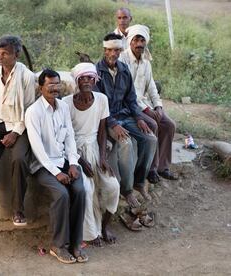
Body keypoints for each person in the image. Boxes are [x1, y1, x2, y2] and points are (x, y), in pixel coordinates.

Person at [25, 69, 87, 264]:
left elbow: (70, 138)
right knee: (62, 194)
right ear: (40, 87)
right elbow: (37, 149)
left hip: (65, 161)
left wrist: (74, 164)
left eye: (57, 84)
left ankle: (75, 243)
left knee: (79, 190)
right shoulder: (33, 112)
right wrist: (56, 173)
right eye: (50, 85)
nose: (55, 88)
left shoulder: (63, 107)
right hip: (43, 166)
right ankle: (58, 245)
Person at [0, 35, 35, 226]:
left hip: (19, 126)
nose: (0, 57)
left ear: (16, 54)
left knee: (19, 159)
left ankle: (18, 210)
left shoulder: (26, 76)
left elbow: (29, 109)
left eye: (5, 54)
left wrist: (16, 133)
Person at [94, 33, 157, 208]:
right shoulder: (96, 72)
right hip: (107, 120)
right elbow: (99, 105)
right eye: (110, 50)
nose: (114, 54)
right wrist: (113, 124)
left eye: (117, 50)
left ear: (121, 50)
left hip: (125, 115)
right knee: (126, 143)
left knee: (150, 139)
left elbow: (131, 98)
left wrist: (138, 117)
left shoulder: (123, 69)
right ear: (105, 50)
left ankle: (139, 181)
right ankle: (127, 190)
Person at [63, 63, 120, 246]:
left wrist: (102, 157)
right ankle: (90, 233)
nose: (86, 81)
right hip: (74, 152)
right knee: (86, 190)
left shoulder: (102, 100)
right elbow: (65, 137)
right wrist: (79, 160)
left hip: (95, 149)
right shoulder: (66, 103)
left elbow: (102, 132)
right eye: (82, 78)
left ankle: (104, 227)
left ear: (95, 80)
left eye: (89, 78)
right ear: (77, 81)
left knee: (112, 187)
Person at [120, 25, 177, 183]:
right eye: (136, 40)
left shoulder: (146, 61)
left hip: (145, 103)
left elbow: (151, 87)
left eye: (142, 40)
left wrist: (158, 105)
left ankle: (163, 167)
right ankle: (151, 169)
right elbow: (127, 90)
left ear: (146, 42)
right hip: (129, 105)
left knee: (169, 125)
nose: (139, 43)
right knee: (153, 124)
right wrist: (146, 109)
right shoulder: (122, 59)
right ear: (130, 42)